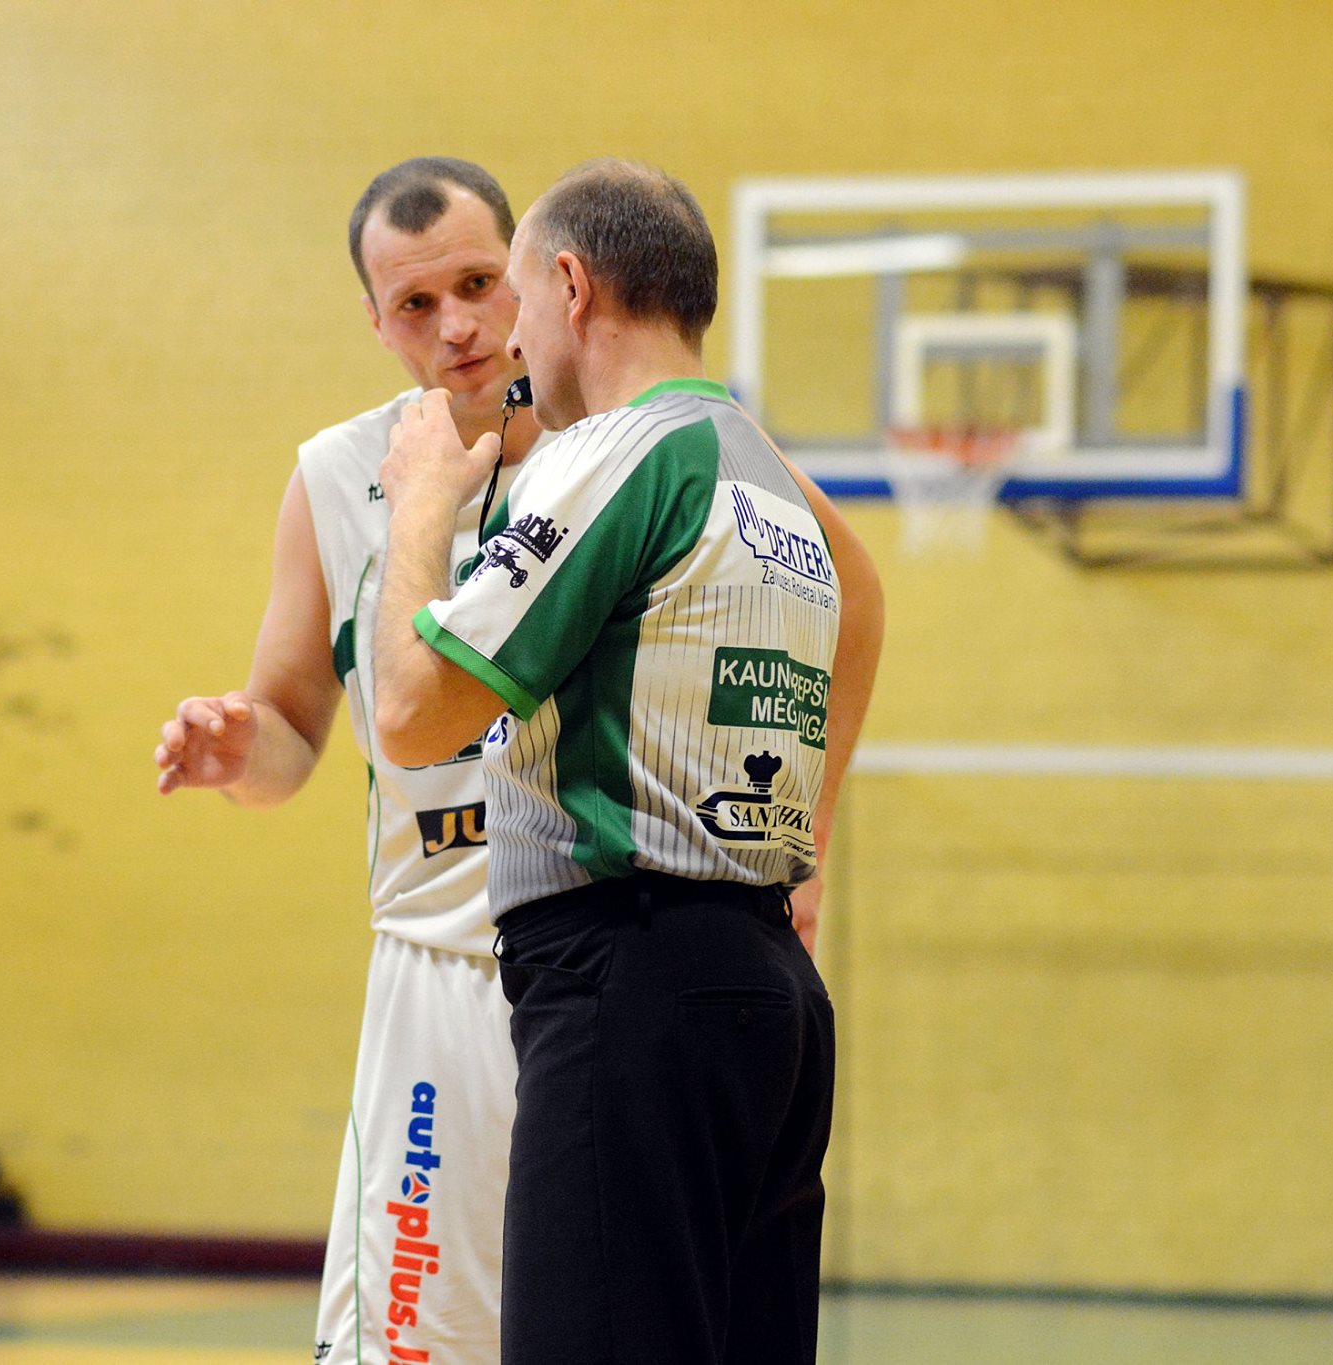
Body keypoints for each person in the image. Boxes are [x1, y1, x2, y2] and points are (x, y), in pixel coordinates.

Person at [372, 158, 885, 1365]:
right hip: (767, 995)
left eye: (512, 298)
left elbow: (411, 712)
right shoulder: (758, 470)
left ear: (570, 285)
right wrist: (806, 834)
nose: (508, 338)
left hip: (630, 984)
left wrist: (420, 506)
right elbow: (865, 604)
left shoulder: (616, 453)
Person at [153, 158, 545, 1365]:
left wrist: (805, 845)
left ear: (533, 275)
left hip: (607, 955)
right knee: (411, 1344)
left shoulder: (619, 448)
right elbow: (286, 735)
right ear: (375, 320)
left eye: (476, 283)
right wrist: (238, 748)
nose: (455, 325)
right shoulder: (334, 475)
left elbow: (842, 583)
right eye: (415, 304)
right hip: (438, 971)